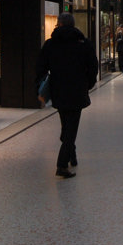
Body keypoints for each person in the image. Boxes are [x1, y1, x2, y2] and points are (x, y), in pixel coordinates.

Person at [36, 12, 98, 178]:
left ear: (59, 24)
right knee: (71, 128)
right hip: (77, 90)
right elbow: (93, 66)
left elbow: (40, 67)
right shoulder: (83, 43)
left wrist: (44, 84)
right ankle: (62, 165)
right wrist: (88, 84)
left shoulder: (50, 44)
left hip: (58, 90)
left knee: (66, 125)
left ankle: (71, 154)